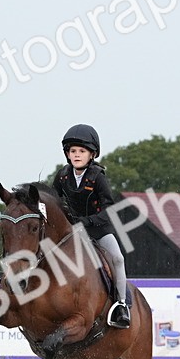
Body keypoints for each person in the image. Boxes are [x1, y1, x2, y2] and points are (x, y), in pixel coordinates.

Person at [51, 124, 130, 328]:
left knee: (118, 259)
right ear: (67, 154)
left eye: (82, 151)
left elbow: (109, 210)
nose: (77, 155)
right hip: (71, 231)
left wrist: (86, 222)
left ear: (92, 154)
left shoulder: (97, 177)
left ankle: (121, 305)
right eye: (73, 151)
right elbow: (53, 201)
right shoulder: (62, 176)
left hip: (98, 229)